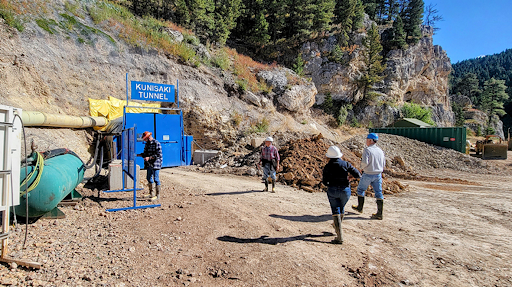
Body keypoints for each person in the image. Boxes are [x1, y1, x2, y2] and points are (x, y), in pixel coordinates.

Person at [322, 146, 361, 244]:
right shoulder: (346, 164)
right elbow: (358, 174)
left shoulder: (327, 166)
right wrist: (350, 177)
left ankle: (339, 236)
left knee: (335, 210)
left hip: (333, 190)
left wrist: (330, 184)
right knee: (342, 208)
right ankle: (337, 227)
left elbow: (324, 181)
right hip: (345, 190)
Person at [352, 133, 386, 220]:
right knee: (378, 192)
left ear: (370, 140)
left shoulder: (367, 150)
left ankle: (360, 207)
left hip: (368, 173)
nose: (366, 141)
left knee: (360, 189)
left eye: (367, 140)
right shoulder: (380, 150)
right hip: (378, 174)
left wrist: (361, 168)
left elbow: (365, 163)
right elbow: (383, 163)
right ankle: (379, 213)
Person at [136, 131, 163, 201]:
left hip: (156, 163)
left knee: (156, 179)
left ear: (148, 137)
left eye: (145, 139)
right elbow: (145, 153)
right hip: (149, 164)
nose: (144, 140)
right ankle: (151, 193)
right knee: (148, 178)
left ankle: (157, 195)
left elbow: (158, 155)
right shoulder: (147, 144)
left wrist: (149, 157)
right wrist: (139, 155)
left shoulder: (156, 143)